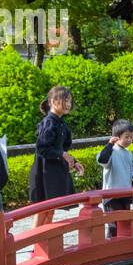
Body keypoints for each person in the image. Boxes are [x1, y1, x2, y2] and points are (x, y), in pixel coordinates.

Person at [28, 86, 83, 227]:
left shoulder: (60, 123)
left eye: (70, 101)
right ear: (52, 101)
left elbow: (60, 149)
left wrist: (74, 161)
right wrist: (63, 154)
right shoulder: (49, 122)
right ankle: (35, 245)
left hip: (52, 171)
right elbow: (42, 148)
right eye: (65, 100)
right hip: (44, 172)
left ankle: (42, 244)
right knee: (42, 211)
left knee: (50, 210)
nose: (68, 105)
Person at [96, 119, 133, 239]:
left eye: (131, 137)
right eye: (126, 137)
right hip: (111, 196)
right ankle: (111, 250)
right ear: (117, 137)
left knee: (125, 224)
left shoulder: (128, 154)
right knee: (114, 226)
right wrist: (109, 144)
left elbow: (132, 175)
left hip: (126, 194)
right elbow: (102, 160)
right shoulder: (111, 151)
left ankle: (123, 249)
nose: (129, 140)